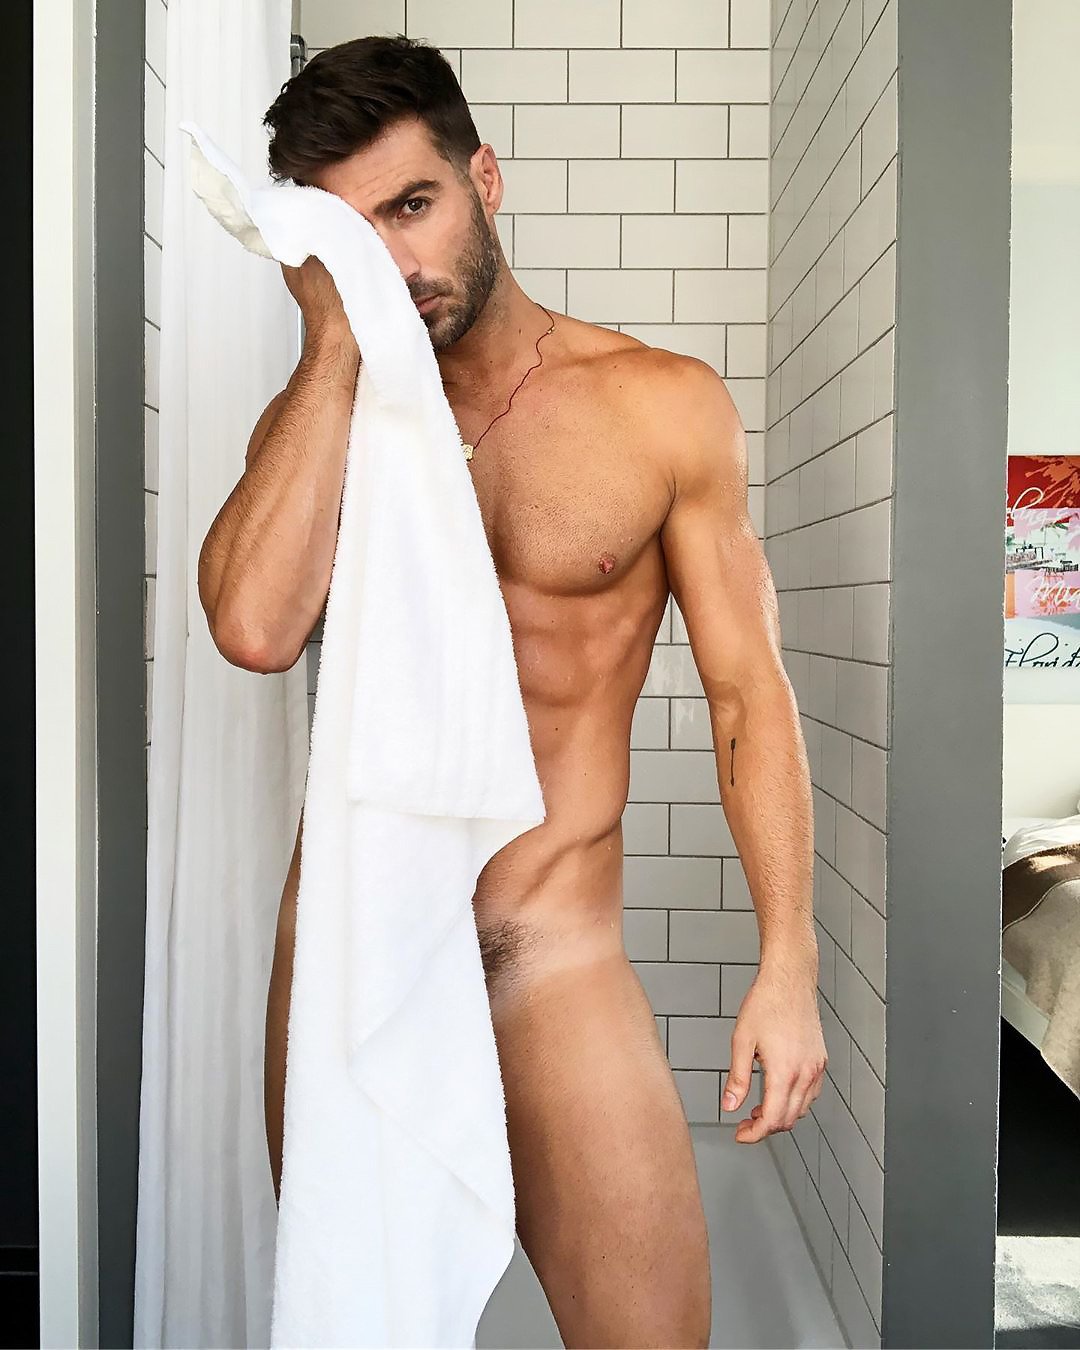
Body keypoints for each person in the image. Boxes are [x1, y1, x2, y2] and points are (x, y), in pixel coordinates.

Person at [197, 33, 827, 1350]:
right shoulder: (322, 420)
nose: (394, 261)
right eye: (350, 233)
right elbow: (253, 628)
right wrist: (334, 344)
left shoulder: (658, 407)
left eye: (411, 207)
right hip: (355, 966)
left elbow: (746, 697)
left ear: (484, 179)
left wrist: (788, 959)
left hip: (549, 961)